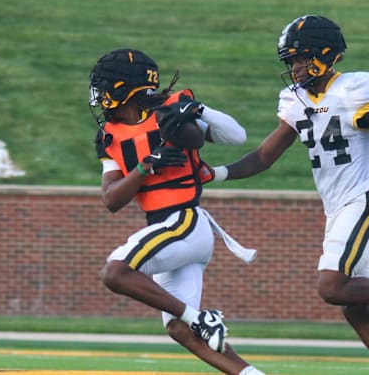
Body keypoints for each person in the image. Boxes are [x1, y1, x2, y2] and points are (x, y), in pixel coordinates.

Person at [209, 15, 369, 375]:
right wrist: (215, 173)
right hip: (337, 207)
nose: (294, 68)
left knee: (331, 285)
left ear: (324, 55)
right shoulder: (296, 100)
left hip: (365, 199)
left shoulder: (352, 90)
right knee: (353, 302)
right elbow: (264, 156)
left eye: (299, 59)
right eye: (290, 61)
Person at [89, 48, 263, 375]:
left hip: (184, 221)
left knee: (115, 272)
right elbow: (111, 200)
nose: (99, 95)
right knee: (180, 328)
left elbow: (237, 136)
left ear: (125, 88)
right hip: (170, 232)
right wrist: (143, 168)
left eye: (104, 86)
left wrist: (198, 110)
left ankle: (203, 319)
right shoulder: (110, 135)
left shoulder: (170, 112)